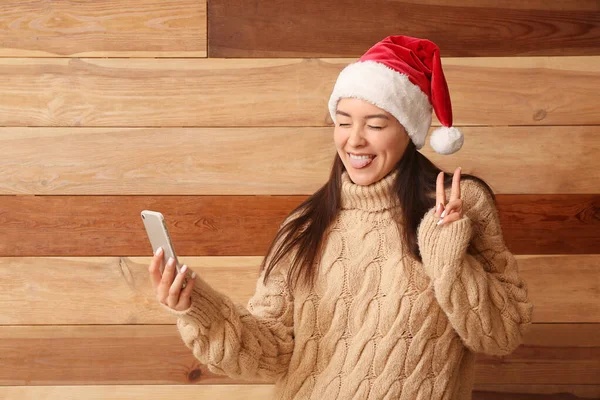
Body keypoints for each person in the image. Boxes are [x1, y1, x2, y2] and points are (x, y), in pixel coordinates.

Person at [148, 35, 534, 400]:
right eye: (344, 121)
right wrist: (197, 307)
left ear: (409, 130)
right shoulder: (304, 224)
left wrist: (447, 260)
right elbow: (271, 353)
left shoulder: (458, 203)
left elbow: (501, 335)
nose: (354, 140)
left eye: (376, 124)